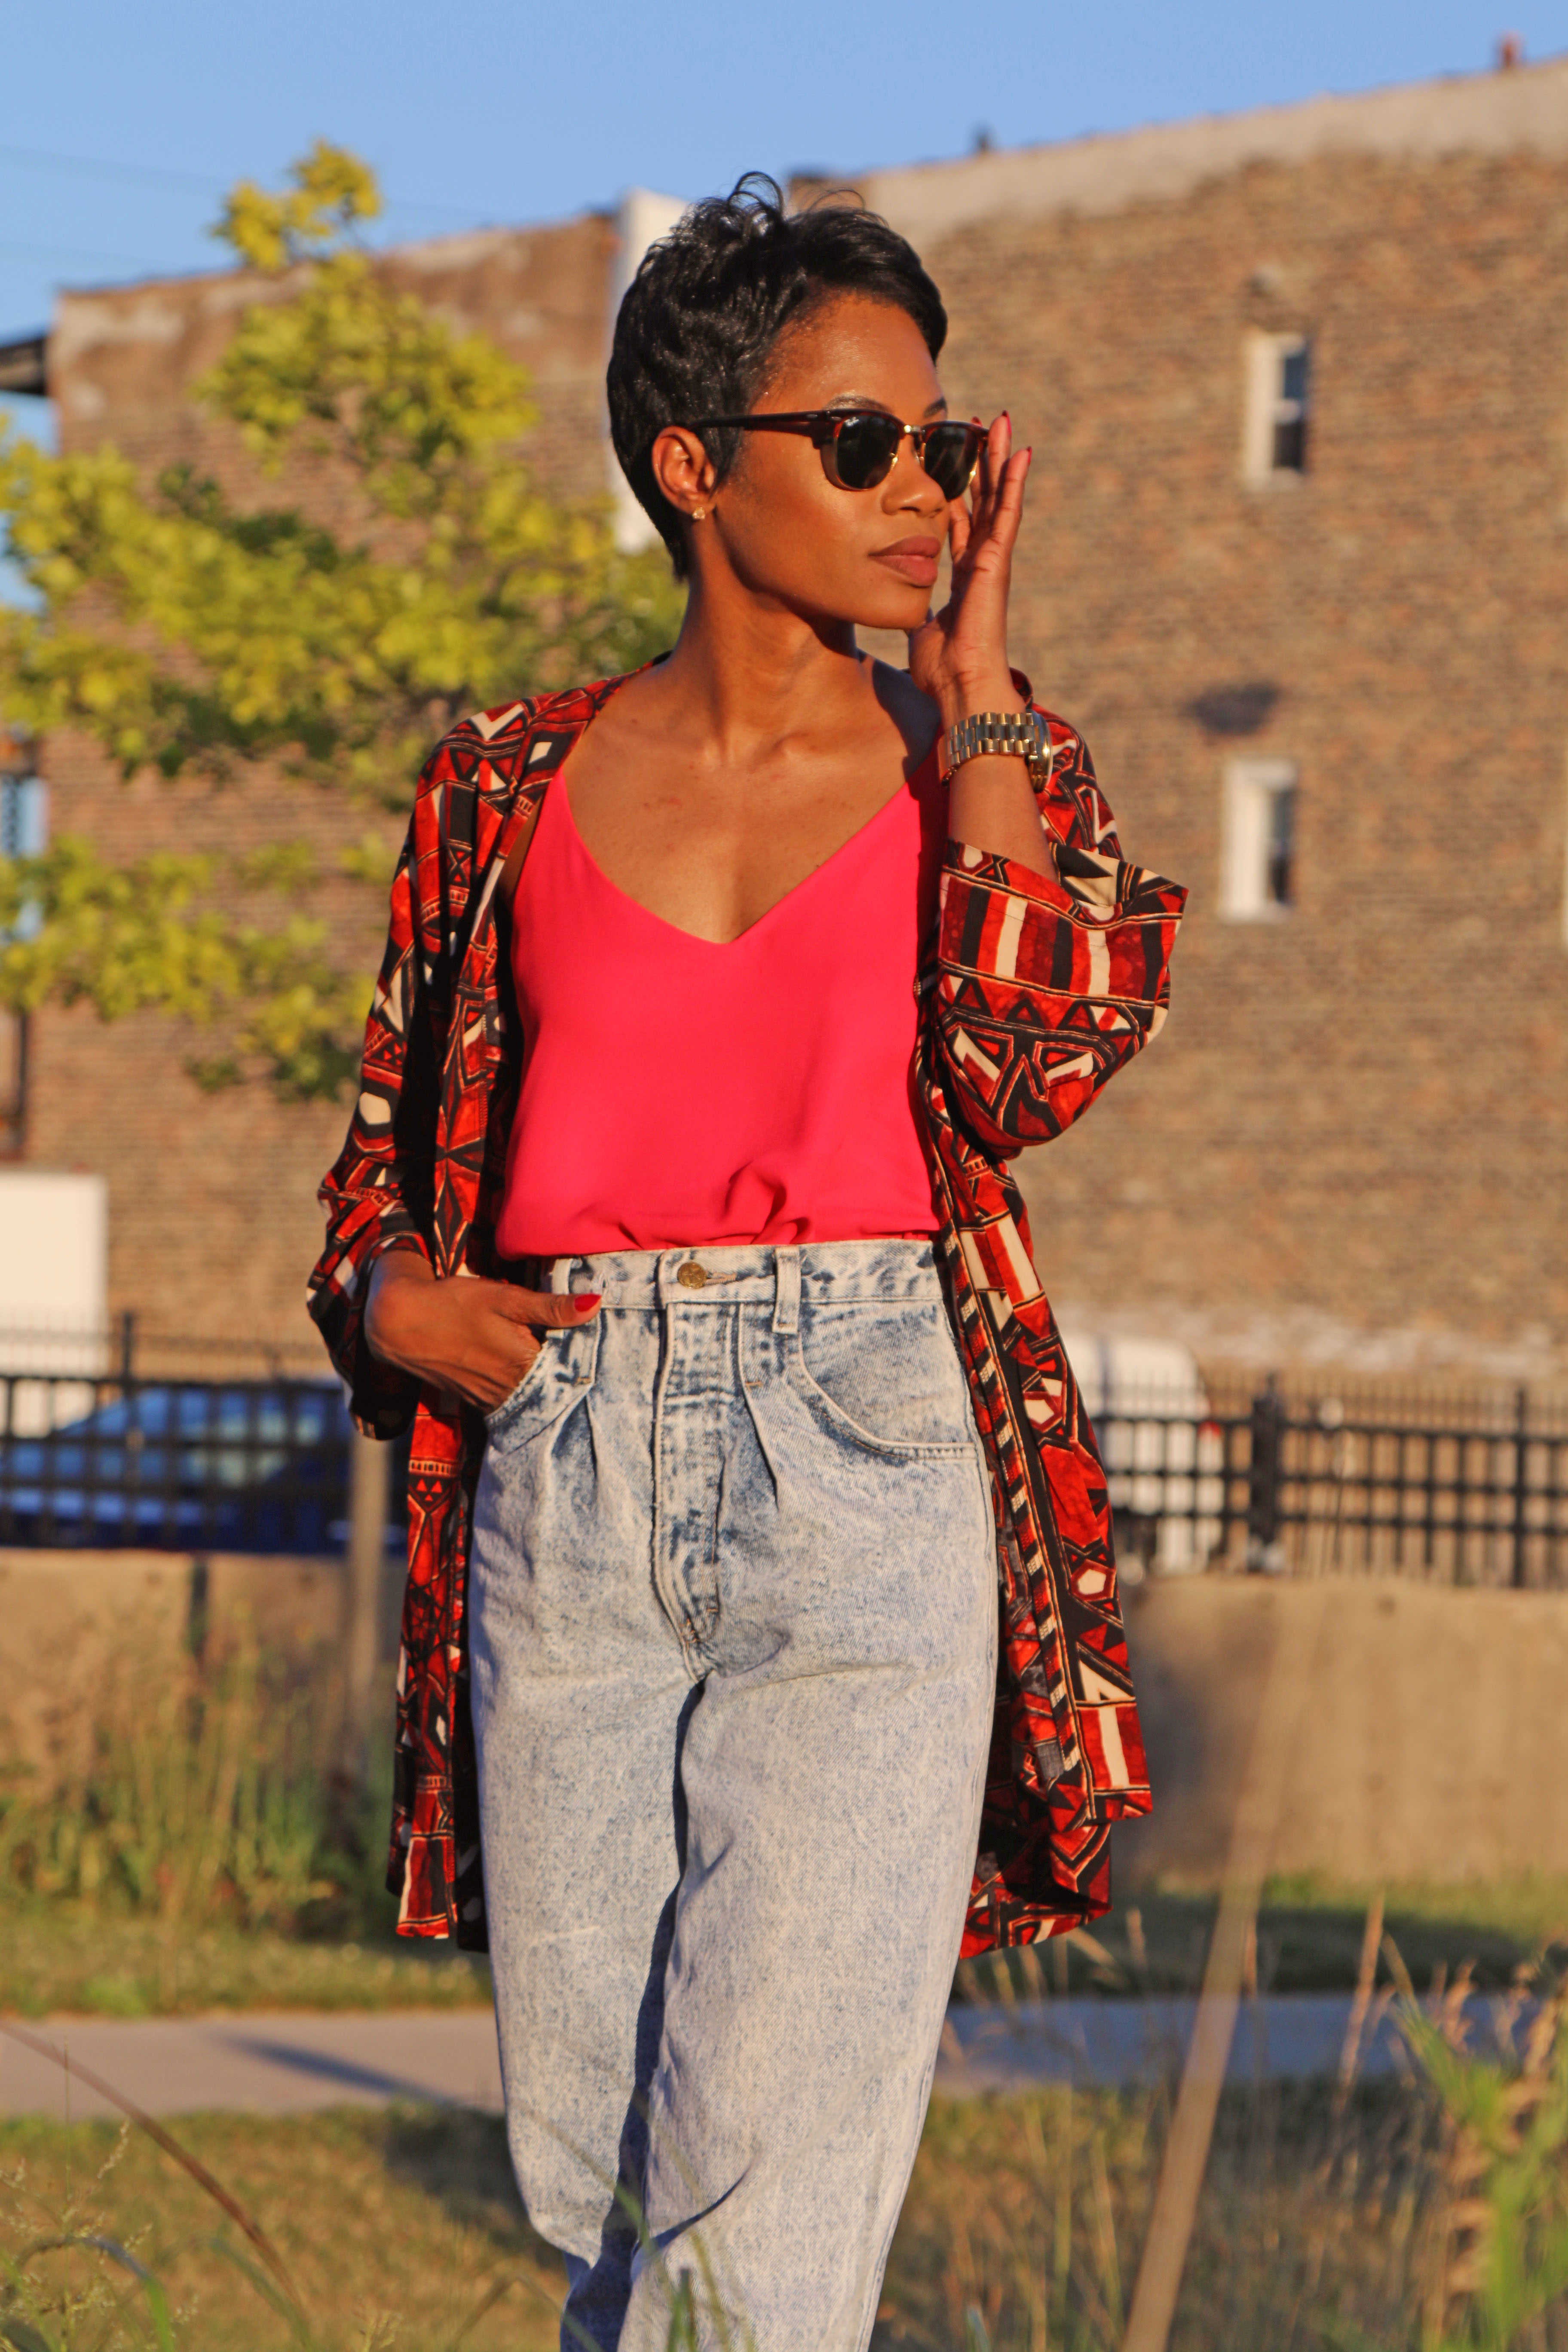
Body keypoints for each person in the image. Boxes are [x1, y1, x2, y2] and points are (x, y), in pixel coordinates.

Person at [309, 176, 1185, 2352]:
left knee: (757, 2226)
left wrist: (972, 701)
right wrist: (395, 1307)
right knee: (601, 2164)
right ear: (696, 471)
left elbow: (1031, 1062)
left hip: (867, 1461)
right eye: (864, 444)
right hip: (569, 1463)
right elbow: (373, 1188)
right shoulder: (500, 788)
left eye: (946, 443)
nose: (926, 492)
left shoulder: (978, 763)